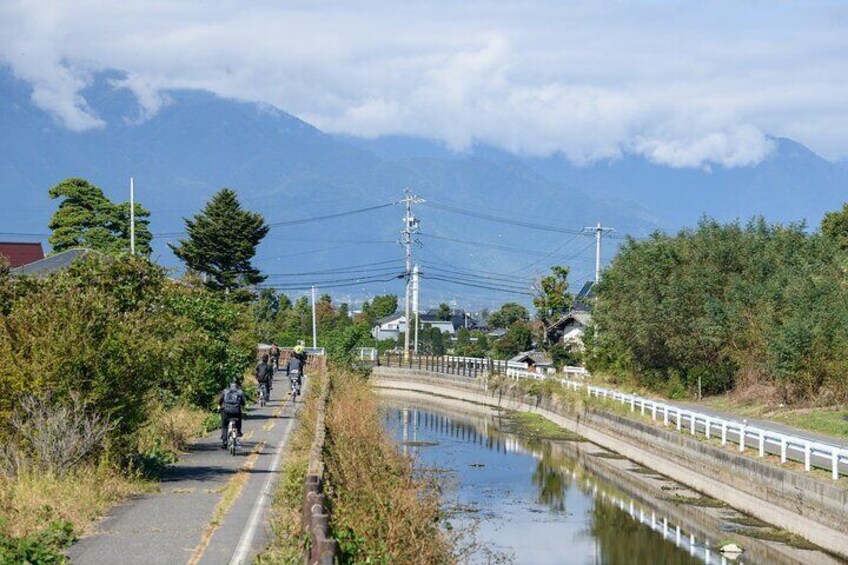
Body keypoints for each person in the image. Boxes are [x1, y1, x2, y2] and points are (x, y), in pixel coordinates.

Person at [219, 380, 246, 448]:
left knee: (224, 425)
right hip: (236, 412)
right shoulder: (240, 392)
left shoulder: (225, 391)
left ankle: (224, 441)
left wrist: (220, 405)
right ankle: (239, 432)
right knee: (239, 420)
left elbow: (220, 400)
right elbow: (243, 403)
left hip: (226, 412)